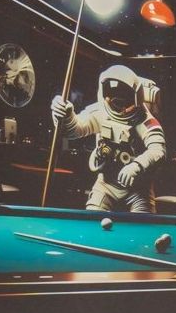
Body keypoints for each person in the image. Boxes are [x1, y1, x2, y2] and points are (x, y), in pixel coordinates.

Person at [50, 64, 165, 211]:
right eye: (114, 99)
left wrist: (137, 166)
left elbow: (158, 150)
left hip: (138, 189)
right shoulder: (100, 112)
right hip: (106, 185)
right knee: (93, 218)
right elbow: (74, 130)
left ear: (137, 97)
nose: (120, 106)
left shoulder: (145, 121)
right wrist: (65, 115)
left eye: (125, 100)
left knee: (142, 222)